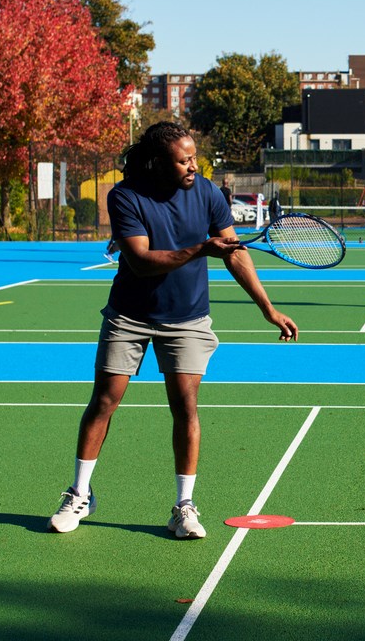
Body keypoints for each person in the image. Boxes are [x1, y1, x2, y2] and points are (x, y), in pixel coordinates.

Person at [48, 122, 298, 539]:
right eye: (183, 160)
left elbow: (234, 255)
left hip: (188, 317)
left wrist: (267, 308)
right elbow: (142, 261)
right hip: (129, 314)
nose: (192, 166)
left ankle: (183, 506)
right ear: (158, 162)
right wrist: (200, 248)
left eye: (194, 158)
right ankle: (79, 494)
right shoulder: (126, 196)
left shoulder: (208, 193)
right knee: (105, 400)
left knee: (186, 405)